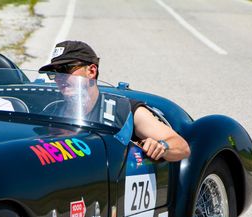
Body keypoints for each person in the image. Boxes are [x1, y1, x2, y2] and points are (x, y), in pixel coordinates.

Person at [39, 41, 190, 161]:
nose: (59, 78)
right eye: (54, 73)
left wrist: (161, 146)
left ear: (91, 71)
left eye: (65, 70)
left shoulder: (123, 110)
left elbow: (182, 147)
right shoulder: (52, 111)